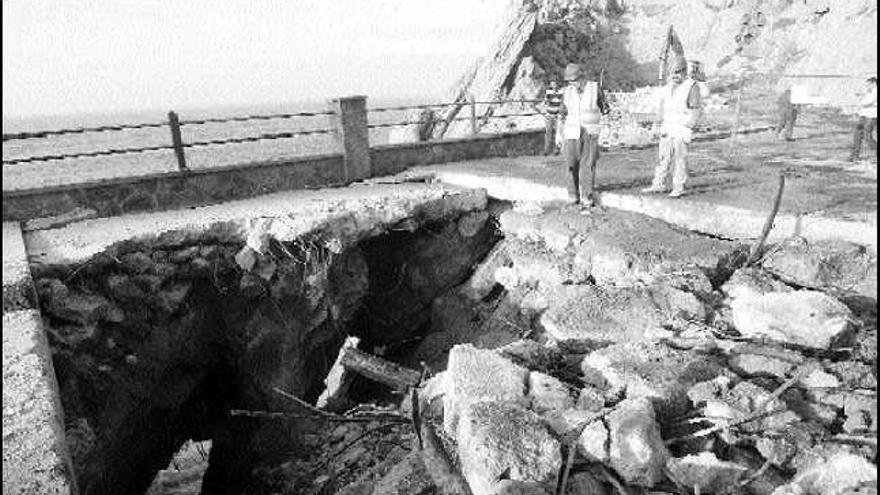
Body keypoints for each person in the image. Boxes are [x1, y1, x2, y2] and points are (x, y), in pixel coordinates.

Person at [641, 55, 702, 198]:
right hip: (668, 126)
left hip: (681, 127)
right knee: (663, 157)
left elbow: (696, 109)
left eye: (678, 73)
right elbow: (661, 109)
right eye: (672, 73)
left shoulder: (691, 86)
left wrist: (689, 124)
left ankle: (678, 186)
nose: (675, 76)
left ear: (684, 72)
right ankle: (658, 184)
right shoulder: (667, 88)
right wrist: (657, 125)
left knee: (680, 158)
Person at [559, 62, 610, 206]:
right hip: (571, 133)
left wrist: (606, 130)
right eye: (569, 81)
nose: (572, 84)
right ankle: (572, 195)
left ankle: (587, 196)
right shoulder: (567, 91)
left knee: (588, 165)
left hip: (590, 133)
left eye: (574, 80)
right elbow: (562, 113)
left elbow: (605, 109)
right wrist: (559, 133)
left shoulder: (595, 89)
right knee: (571, 165)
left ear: (581, 77)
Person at [851, 75, 877, 162]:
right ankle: (855, 156)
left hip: (872, 117)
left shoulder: (875, 92)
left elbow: (866, 102)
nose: (867, 86)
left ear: (874, 83)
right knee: (857, 135)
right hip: (864, 116)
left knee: (867, 137)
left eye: (868, 84)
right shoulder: (869, 92)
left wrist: (860, 98)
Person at [542, 80, 563, 155]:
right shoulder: (548, 92)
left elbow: (561, 103)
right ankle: (546, 150)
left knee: (558, 133)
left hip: (557, 115)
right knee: (548, 132)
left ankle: (557, 149)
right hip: (549, 115)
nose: (554, 85)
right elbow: (546, 102)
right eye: (552, 84)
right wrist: (550, 98)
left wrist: (560, 114)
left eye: (555, 84)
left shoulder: (560, 92)